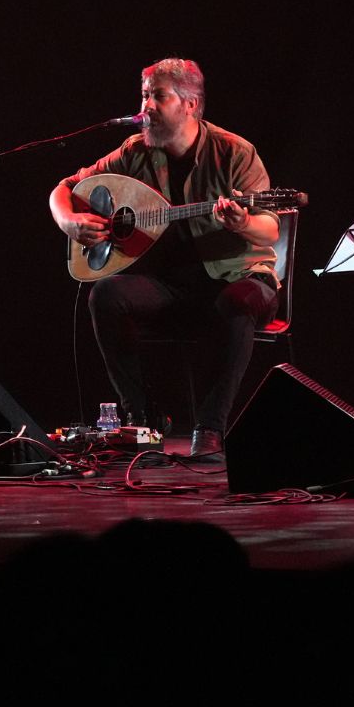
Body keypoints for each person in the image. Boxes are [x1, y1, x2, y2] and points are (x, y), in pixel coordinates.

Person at [49, 58, 282, 462]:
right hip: (174, 286)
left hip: (239, 278)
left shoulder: (234, 152)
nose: (146, 106)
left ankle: (210, 429)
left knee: (238, 300)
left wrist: (243, 221)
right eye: (144, 95)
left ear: (190, 104)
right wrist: (69, 221)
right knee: (106, 294)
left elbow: (271, 230)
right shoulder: (136, 151)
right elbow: (65, 188)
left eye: (158, 96)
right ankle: (142, 423)